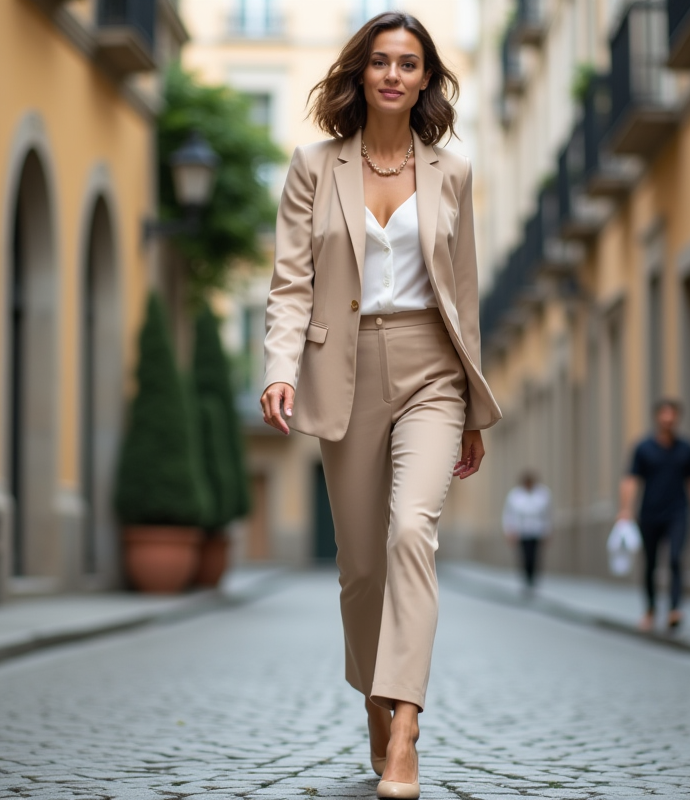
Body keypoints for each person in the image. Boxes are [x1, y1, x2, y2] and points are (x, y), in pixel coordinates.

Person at [259, 13, 501, 800]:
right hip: (344, 367)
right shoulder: (311, 165)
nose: (394, 74)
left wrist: (470, 401)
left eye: (409, 63)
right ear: (360, 73)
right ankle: (375, 693)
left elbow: (462, 294)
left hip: (432, 365)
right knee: (360, 568)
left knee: (410, 534)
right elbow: (291, 280)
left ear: (426, 78)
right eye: (380, 61)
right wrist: (278, 367)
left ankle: (405, 729)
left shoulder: (453, 171)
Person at [617, 399, 690, 632]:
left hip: (678, 512)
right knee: (651, 564)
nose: (668, 419)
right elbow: (631, 480)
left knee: (676, 559)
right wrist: (625, 510)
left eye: (672, 415)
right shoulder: (644, 448)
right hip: (649, 514)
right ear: (657, 417)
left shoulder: (686, 448)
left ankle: (675, 609)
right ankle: (650, 609)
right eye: (664, 415)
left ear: (677, 418)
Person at [502, 471, 551, 591]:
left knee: (534, 556)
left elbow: (548, 514)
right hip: (521, 531)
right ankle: (526, 577)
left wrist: (547, 531)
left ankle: (533, 578)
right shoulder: (515, 495)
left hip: (536, 531)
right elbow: (508, 514)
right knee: (525, 556)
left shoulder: (542, 494)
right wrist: (509, 531)